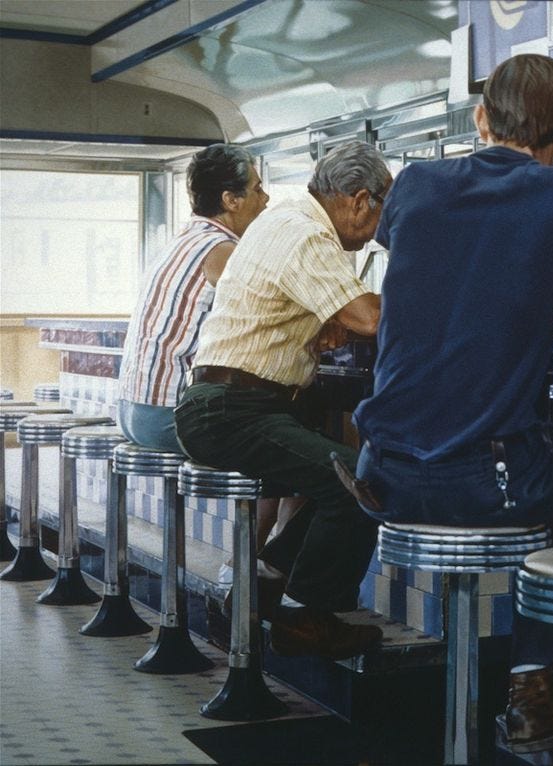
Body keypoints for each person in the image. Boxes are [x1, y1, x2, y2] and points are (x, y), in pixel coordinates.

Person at [350, 54, 553, 753]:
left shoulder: (412, 185)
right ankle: (538, 688)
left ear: (480, 119)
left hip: (383, 475)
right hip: (486, 482)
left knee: (538, 471)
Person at [173, 140, 391, 660]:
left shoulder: (286, 218)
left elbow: (307, 311)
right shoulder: (307, 232)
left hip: (228, 401)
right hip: (231, 409)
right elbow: (370, 318)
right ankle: (305, 616)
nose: (379, 229)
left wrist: (320, 327)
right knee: (356, 484)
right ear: (361, 200)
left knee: (334, 475)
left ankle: (269, 582)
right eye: (381, 213)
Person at [116, 144, 300, 580]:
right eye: (257, 189)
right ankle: (248, 569)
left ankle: (258, 563)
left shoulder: (183, 240)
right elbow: (275, 309)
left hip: (132, 409)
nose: (266, 198)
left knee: (284, 440)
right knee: (293, 451)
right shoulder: (223, 252)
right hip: (165, 415)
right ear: (230, 200)